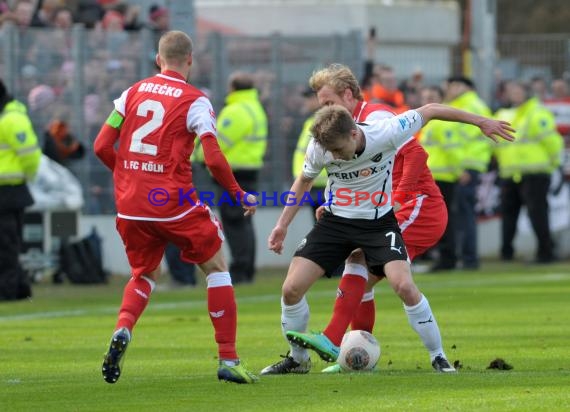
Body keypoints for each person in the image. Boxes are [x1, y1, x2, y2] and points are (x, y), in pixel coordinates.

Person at [261, 102, 514, 375]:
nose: (334, 155)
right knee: (291, 289)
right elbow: (304, 181)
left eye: (338, 149)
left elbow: (431, 109)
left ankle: (438, 356)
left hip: (377, 225)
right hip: (334, 223)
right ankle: (299, 361)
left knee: (404, 285)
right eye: (330, 151)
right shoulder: (320, 146)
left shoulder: (387, 132)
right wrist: (282, 225)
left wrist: (480, 121)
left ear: (354, 135)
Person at [93, 30, 258, 384]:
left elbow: (102, 145)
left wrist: (128, 176)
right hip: (172, 202)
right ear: (190, 60)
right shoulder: (196, 100)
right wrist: (237, 192)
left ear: (158, 59)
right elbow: (212, 159)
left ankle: (124, 328)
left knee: (144, 274)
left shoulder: (131, 94)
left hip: (131, 205)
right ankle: (228, 359)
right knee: (216, 266)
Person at [261, 64, 448, 375]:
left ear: (348, 95)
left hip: (414, 206)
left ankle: (339, 341)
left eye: (328, 102)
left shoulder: (377, 119)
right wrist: (329, 206)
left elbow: (416, 155)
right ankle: (349, 356)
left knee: (372, 273)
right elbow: (334, 177)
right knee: (335, 281)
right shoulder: (330, 131)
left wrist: (395, 200)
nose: (323, 109)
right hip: (356, 214)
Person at [494, 80, 564, 263]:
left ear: (527, 93)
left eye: (517, 91)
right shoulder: (504, 113)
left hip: (535, 172)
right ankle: (506, 254)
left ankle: (546, 252)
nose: (514, 94)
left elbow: (552, 142)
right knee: (509, 216)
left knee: (538, 215)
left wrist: (553, 164)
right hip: (509, 173)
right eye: (511, 91)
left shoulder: (537, 112)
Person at [214, 71, 268, 283]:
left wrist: (196, 156)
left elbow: (216, 144)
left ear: (233, 88)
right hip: (250, 170)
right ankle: (247, 270)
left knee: (234, 223)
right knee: (245, 222)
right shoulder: (256, 108)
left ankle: (239, 271)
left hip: (232, 173)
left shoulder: (235, 110)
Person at [443, 76, 492, 270]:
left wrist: (463, 166)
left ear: (467, 87)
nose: (451, 88)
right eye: (451, 84)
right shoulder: (463, 104)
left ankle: (469, 259)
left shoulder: (470, 106)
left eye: (456, 85)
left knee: (464, 214)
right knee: (462, 213)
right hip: (464, 166)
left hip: (466, 167)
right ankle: (467, 257)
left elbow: (471, 140)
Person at [0, 79, 41, 301]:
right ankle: (19, 288)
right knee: (7, 244)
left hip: (9, 191)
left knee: (7, 244)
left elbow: (30, 156)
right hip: (10, 191)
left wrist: (26, 176)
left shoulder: (11, 119)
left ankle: (8, 291)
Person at [292, 87, 327, 220]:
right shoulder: (311, 121)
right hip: (312, 181)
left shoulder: (323, 122)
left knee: (324, 224)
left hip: (321, 182)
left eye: (310, 98)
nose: (306, 101)